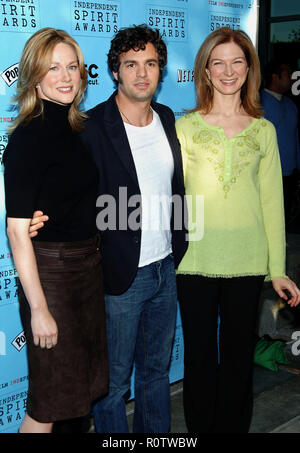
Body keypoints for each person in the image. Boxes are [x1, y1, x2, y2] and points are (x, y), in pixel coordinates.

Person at [30, 24, 187, 433]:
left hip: (164, 270)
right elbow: (68, 185)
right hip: (119, 276)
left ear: (160, 70)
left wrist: (179, 246)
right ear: (114, 71)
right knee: (112, 386)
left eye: (150, 63)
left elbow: (176, 189)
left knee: (155, 376)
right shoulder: (92, 125)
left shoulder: (168, 118)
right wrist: (36, 213)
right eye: (130, 64)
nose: (141, 73)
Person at [175, 27, 300, 433]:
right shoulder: (185, 127)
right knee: (197, 362)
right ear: (206, 71)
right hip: (193, 261)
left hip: (247, 263)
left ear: (249, 69)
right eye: (219, 62)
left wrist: (276, 268)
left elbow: (272, 204)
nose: (228, 70)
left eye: (237, 61)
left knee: (236, 364)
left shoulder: (264, 130)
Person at [3, 28, 108, 434]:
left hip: (86, 270)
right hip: (52, 278)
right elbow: (16, 233)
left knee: (76, 397)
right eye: (53, 68)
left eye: (72, 67)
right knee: (49, 403)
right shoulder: (29, 137)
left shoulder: (77, 128)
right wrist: (40, 309)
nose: (65, 77)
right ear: (34, 75)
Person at [260, 60, 300, 224]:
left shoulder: (290, 104)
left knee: (283, 215)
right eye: (287, 74)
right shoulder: (258, 102)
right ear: (275, 77)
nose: (292, 78)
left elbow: (294, 136)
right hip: (269, 173)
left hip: (289, 172)